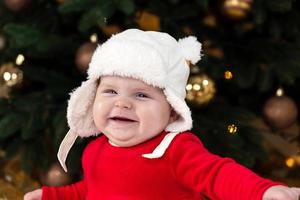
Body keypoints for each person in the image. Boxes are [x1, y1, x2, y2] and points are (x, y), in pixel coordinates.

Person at [24, 29, 300, 200]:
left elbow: (218, 175)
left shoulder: (175, 150)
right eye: (110, 92)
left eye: (141, 95)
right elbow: (92, 192)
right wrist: (52, 196)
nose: (122, 104)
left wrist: (261, 191)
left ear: (171, 111)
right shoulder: (96, 149)